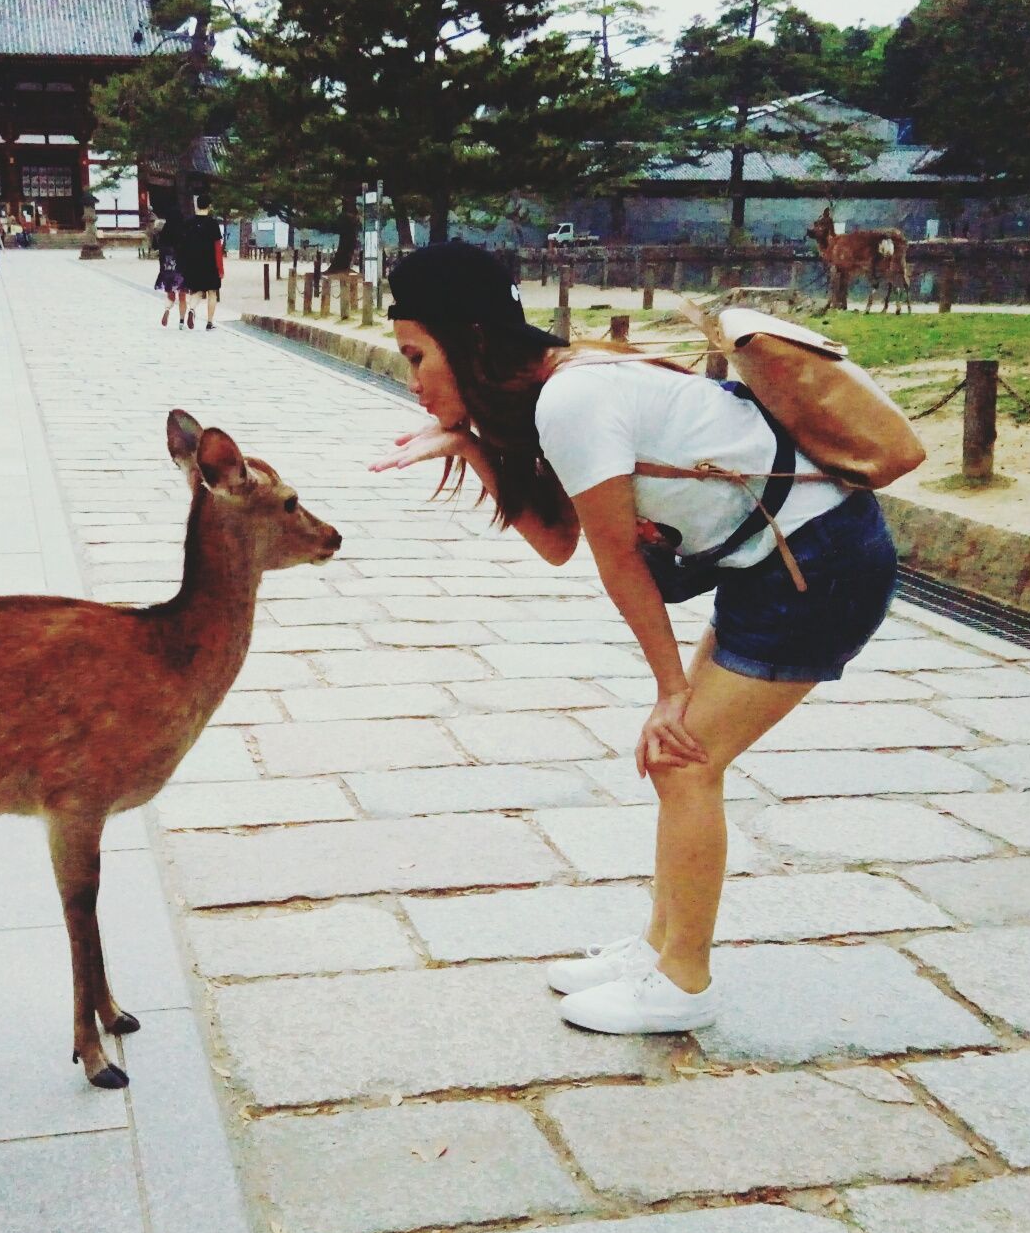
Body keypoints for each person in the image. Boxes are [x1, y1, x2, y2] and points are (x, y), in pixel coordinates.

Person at [369, 241, 897, 1036]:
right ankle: (660, 948)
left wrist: (670, 693)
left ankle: (684, 982)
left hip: (820, 563)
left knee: (684, 759)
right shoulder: (558, 389)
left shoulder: (571, 400)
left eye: (416, 355)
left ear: (468, 339)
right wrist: (475, 450)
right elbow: (556, 542)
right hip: (778, 562)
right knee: (676, 761)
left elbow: (618, 561)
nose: (412, 380)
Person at [173, 196, 223, 329]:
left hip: (193, 264)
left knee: (198, 291)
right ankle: (209, 322)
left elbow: (182, 245)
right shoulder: (213, 224)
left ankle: (192, 310)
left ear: (197, 205)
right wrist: (220, 268)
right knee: (212, 292)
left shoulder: (189, 223)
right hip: (210, 263)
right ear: (209, 206)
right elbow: (217, 247)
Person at [151, 222, 186, 328]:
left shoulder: (162, 243)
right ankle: (181, 322)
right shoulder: (180, 239)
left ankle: (167, 309)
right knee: (182, 297)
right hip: (180, 271)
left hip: (166, 271)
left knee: (170, 295)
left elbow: (155, 249)